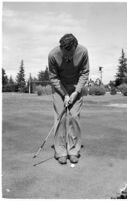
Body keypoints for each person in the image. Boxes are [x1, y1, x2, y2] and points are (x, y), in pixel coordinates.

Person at [48, 33, 89, 164]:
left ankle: (73, 150)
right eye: (64, 52)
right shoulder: (53, 55)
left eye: (70, 53)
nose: (67, 56)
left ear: (75, 47)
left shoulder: (83, 52)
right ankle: (60, 151)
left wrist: (76, 92)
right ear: (60, 47)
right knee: (60, 118)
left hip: (76, 86)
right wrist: (64, 94)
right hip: (59, 87)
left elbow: (84, 73)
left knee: (74, 117)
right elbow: (53, 77)